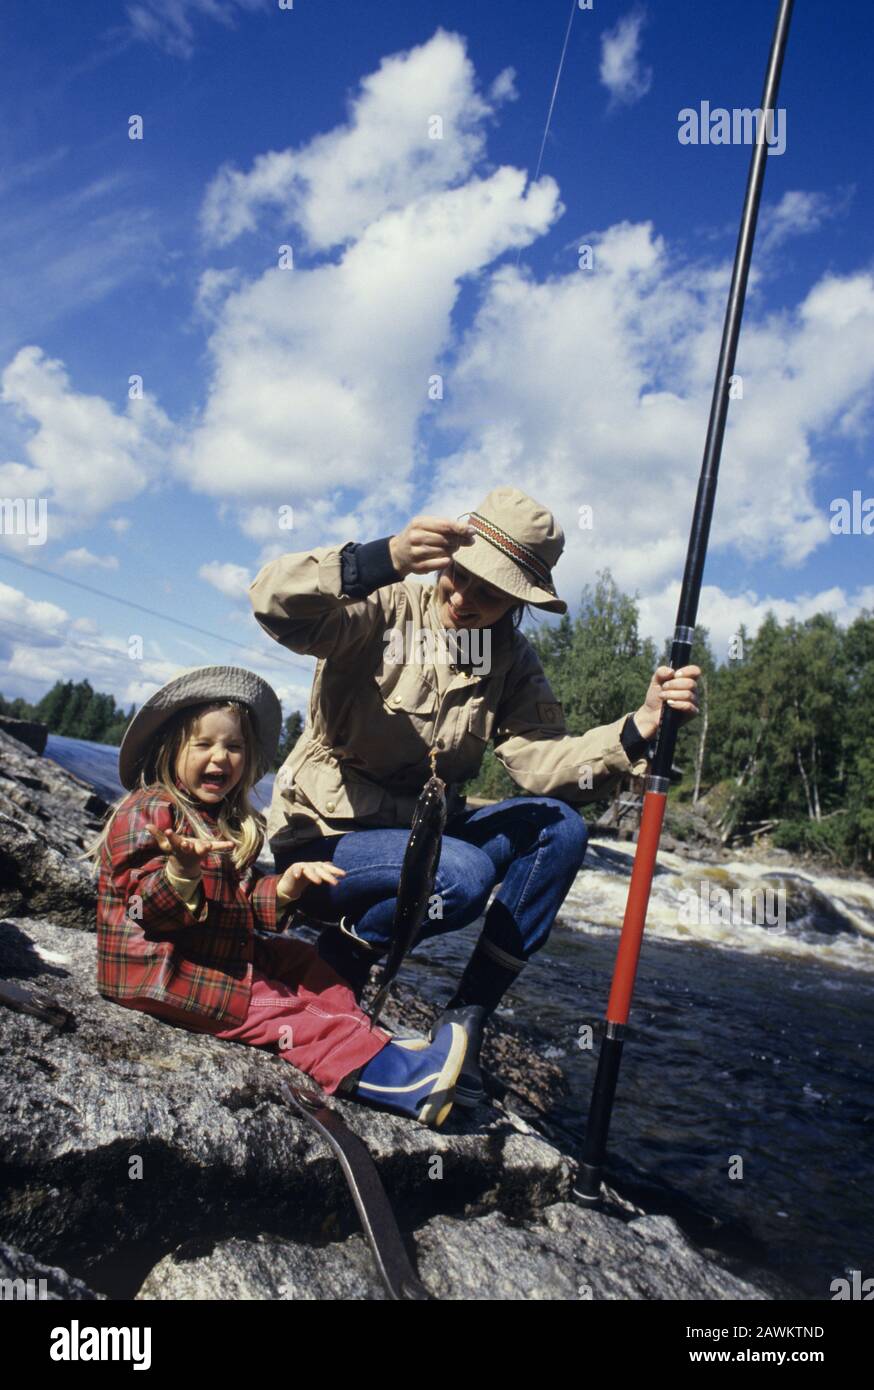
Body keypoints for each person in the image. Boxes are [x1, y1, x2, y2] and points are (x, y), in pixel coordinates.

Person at [248, 488, 700, 1108]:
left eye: (489, 594)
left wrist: (639, 727)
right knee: (459, 876)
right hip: (323, 832)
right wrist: (381, 557)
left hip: (423, 829)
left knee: (560, 828)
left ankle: (465, 1020)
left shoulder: (511, 659)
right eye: (458, 577)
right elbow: (274, 605)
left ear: (518, 601)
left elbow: (543, 767)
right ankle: (337, 967)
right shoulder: (383, 602)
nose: (463, 599)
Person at [80, 665, 468, 1128]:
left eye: (234, 746)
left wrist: (285, 888)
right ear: (170, 749)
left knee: (304, 964)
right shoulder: (151, 811)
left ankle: (367, 1039)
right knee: (281, 1008)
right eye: (203, 744)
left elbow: (239, 899)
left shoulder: (216, 818)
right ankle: (403, 1082)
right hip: (166, 970)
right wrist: (180, 871)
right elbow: (150, 914)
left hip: (200, 949)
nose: (220, 758)